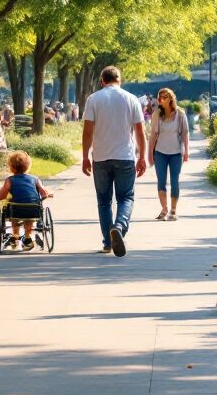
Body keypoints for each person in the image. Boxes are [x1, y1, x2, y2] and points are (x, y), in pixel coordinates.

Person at [81, 65, 146, 256]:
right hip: (125, 156)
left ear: (102, 81)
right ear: (120, 80)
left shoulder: (93, 99)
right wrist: (142, 157)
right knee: (126, 197)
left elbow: (88, 130)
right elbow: (140, 132)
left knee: (103, 201)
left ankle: (108, 242)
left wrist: (85, 156)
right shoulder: (131, 99)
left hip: (101, 157)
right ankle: (119, 226)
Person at [0, 151, 53, 252]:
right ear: (28, 165)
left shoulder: (9, 180)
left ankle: (15, 236)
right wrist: (47, 195)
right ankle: (27, 237)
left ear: (11, 166)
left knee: (14, 216)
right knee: (30, 218)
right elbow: (43, 192)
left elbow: (3, 195)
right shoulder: (35, 179)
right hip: (33, 207)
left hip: (16, 208)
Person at [147, 88, 190, 221]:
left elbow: (185, 133)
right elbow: (153, 135)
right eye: (159, 97)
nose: (159, 100)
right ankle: (164, 208)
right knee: (161, 181)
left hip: (176, 153)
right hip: (160, 153)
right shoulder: (156, 114)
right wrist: (149, 153)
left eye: (163, 97)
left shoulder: (180, 114)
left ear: (170, 99)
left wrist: (186, 151)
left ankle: (173, 210)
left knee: (174, 181)